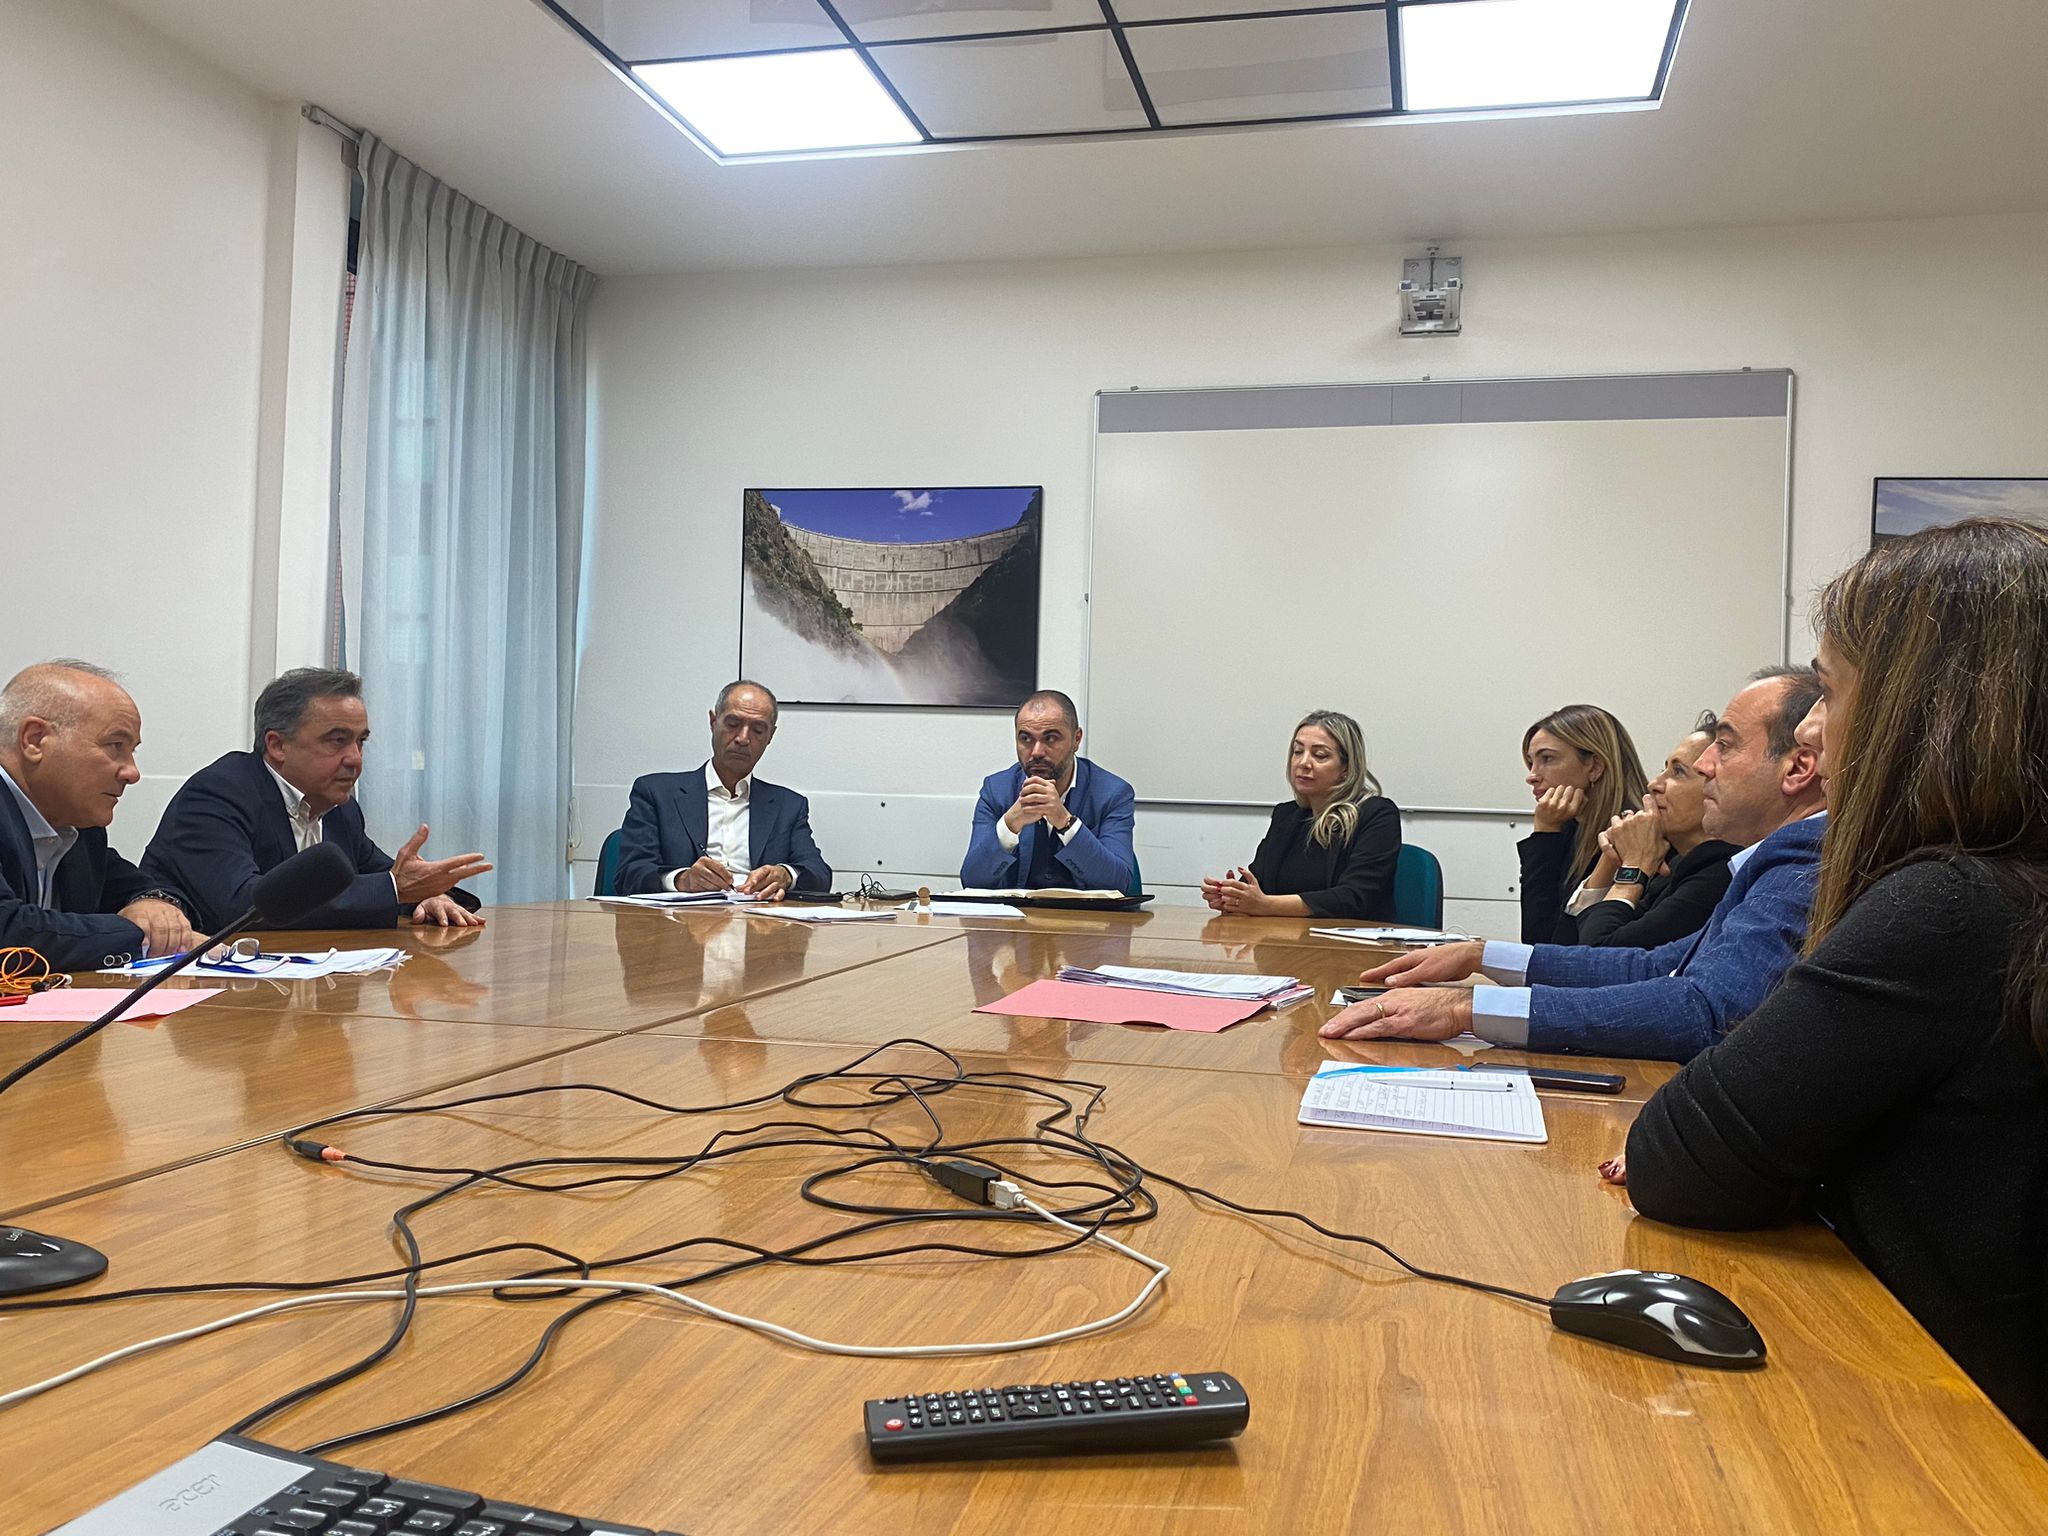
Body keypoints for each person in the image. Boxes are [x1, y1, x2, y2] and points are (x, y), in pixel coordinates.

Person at [1621, 519, 2048, 1451]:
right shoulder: (2016, 888)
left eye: (1834, 688)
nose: (1813, 729)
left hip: (1948, 1435)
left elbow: (1674, 1160)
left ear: (1923, 710)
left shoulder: (1950, 908)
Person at [1322, 666, 1825, 1061]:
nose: (1704, 766)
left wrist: (1468, 1007)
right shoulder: (1764, 860)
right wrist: (1481, 955)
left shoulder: (1799, 858)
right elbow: (1653, 966)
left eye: (1725, 746)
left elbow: (1703, 1010)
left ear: (1800, 766)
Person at [141, 668, 490, 931]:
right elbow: (244, 907)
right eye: (337, 741)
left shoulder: (339, 809)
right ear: (277, 745)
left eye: (360, 742)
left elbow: (384, 878)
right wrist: (397, 890)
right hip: (202, 988)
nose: (355, 759)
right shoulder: (218, 794)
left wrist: (428, 895)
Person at [0, 660, 202, 968]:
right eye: (115, 745)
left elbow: (147, 888)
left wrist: (154, 906)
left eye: (132, 751)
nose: (132, 773)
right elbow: (9, 932)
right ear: (35, 739)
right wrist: (141, 936)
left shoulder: (78, 826)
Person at [614, 680, 830, 899]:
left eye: (757, 730)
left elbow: (820, 874)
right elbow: (629, 875)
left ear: (770, 737)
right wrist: (682, 880)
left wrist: (785, 875)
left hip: (759, 916)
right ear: (713, 721)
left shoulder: (788, 805)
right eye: (733, 723)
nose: (743, 738)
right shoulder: (656, 793)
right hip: (680, 917)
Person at [1202, 710, 1401, 919]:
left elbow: (1354, 898)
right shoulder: (1286, 815)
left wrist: (1267, 905)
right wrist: (1233, 897)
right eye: (1298, 752)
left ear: (1346, 767)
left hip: (1350, 937)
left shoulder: (1377, 814)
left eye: (1320, 755)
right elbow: (1258, 884)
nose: (1303, 763)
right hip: (1284, 937)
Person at [1562, 714, 1740, 949]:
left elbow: (1600, 956)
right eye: (1664, 769)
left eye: (1678, 772)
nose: (1653, 784)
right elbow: (1565, 948)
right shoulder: (1672, 862)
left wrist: (1632, 869)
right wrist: (1610, 860)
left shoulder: (1719, 875)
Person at [962, 690, 1135, 892]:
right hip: (1016, 912)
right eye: (1026, 739)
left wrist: (1065, 821)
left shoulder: (1113, 793)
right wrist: (1010, 823)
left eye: (1051, 738)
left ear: (1076, 739)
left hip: (1085, 912)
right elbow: (972, 881)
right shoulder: (996, 791)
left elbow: (1119, 884)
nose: (1037, 752)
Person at [1517, 704, 1649, 944]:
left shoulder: (1633, 835)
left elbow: (1550, 947)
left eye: (1547, 759)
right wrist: (1546, 834)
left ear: (1595, 766)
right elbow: (1535, 943)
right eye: (1531, 762)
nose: (1532, 776)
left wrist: (1544, 835)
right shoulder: (1569, 829)